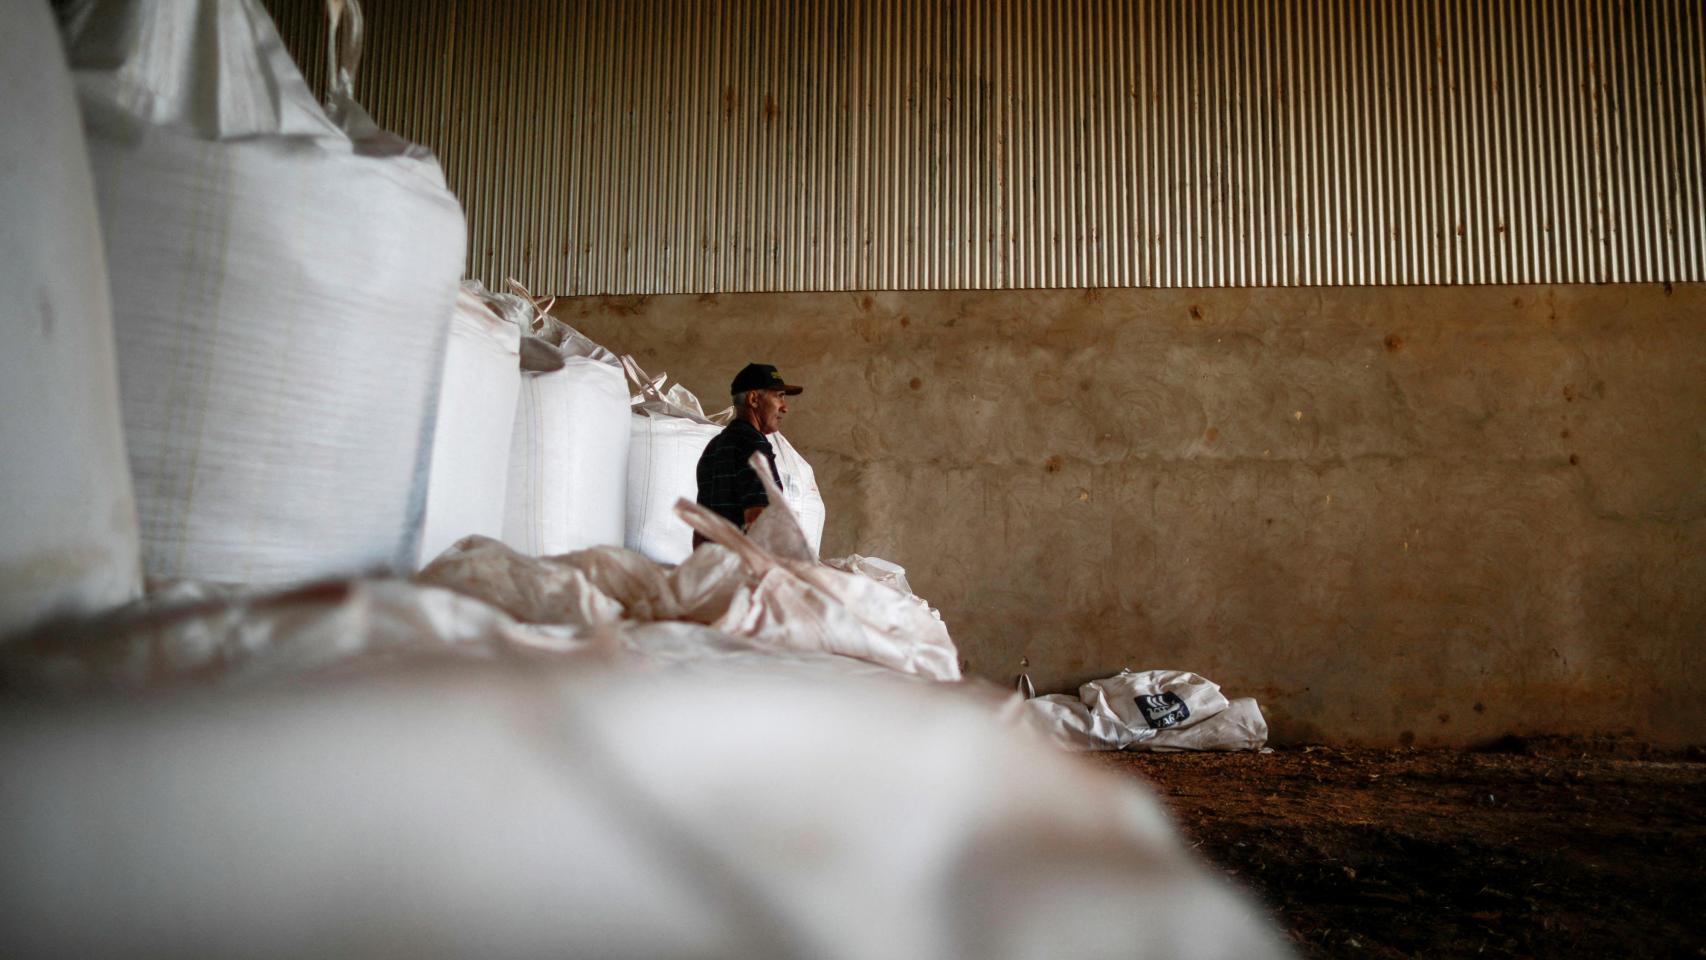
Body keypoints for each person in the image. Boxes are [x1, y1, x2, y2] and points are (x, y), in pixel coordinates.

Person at [694, 363, 804, 544]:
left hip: (715, 559)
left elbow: (701, 530)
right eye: (779, 396)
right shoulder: (754, 444)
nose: (785, 407)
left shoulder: (714, 447)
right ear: (753, 399)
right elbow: (759, 518)